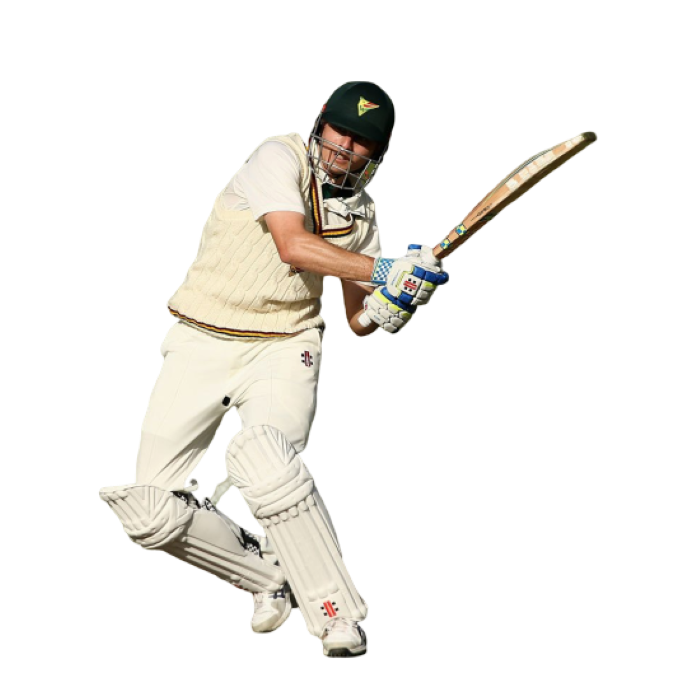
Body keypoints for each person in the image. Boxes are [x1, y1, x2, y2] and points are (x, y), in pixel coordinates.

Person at [97, 80, 450, 659]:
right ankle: (267, 575)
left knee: (267, 464)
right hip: (201, 336)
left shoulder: (363, 214)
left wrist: (399, 305)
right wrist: (387, 270)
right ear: (320, 124)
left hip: (286, 344)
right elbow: (293, 245)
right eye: (339, 131)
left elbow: (358, 321)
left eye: (361, 140)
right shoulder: (276, 155)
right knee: (148, 514)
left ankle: (337, 614)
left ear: (378, 152)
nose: (345, 147)